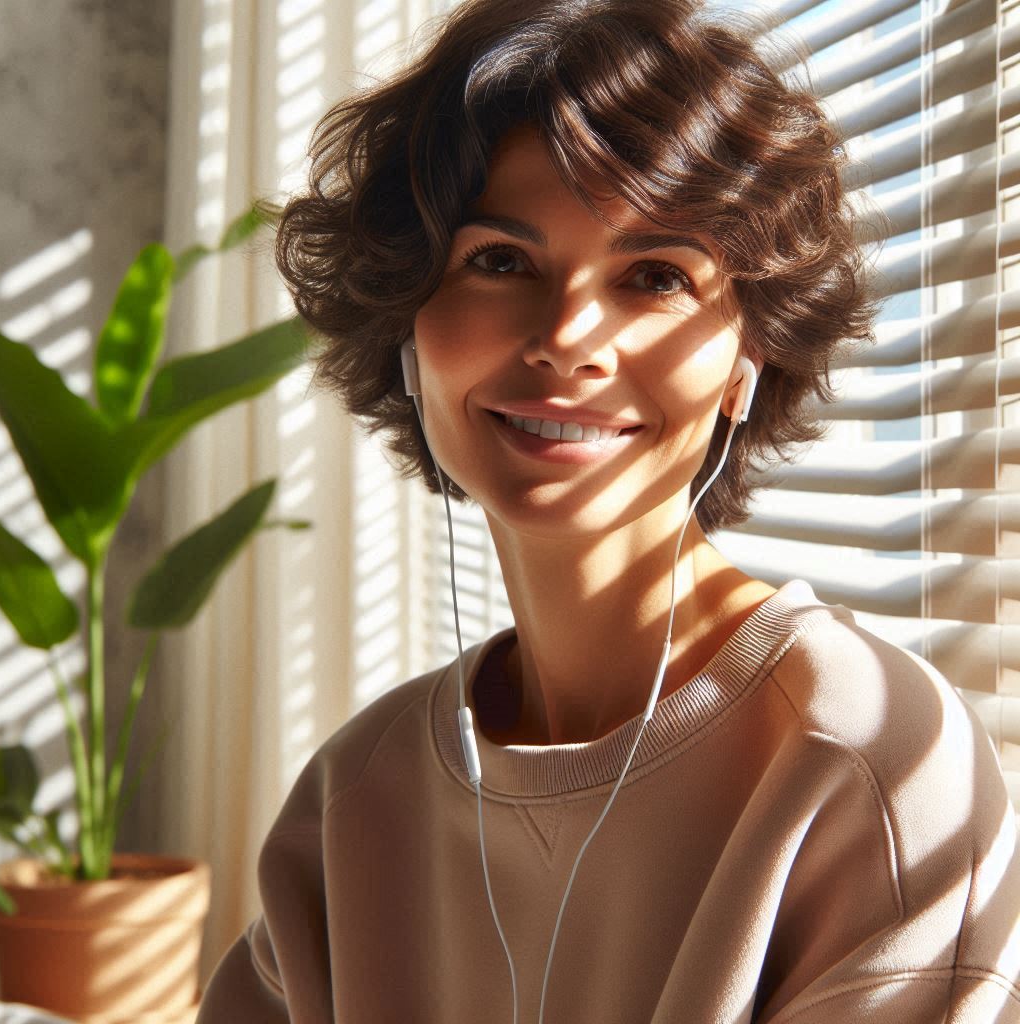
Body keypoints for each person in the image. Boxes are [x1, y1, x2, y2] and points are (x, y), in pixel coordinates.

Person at [195, 0, 1020, 1021]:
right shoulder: (352, 802)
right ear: (408, 333)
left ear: (744, 362)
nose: (569, 337)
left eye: (655, 277)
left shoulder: (871, 770)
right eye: (499, 261)